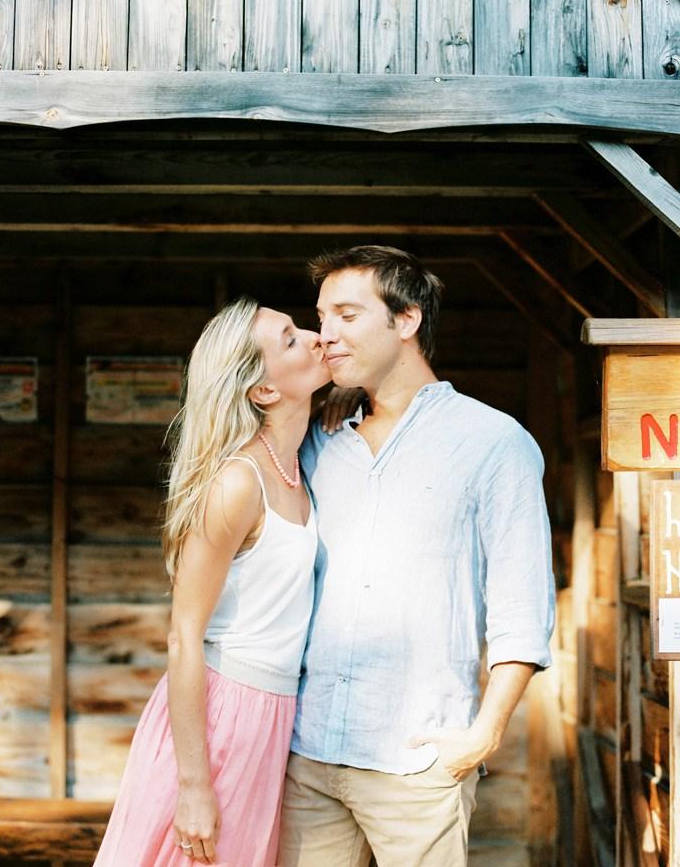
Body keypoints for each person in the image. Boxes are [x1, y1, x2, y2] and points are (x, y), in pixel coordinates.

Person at [279, 245, 555, 867]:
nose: (325, 336)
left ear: (406, 321)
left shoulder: (494, 441)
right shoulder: (319, 442)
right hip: (311, 749)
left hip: (418, 757)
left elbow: (523, 603)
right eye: (322, 318)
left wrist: (481, 736)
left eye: (347, 316)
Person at [94, 296, 330, 867]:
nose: (316, 335)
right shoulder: (237, 482)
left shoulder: (301, 465)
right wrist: (194, 784)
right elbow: (183, 633)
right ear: (265, 390)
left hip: (275, 717)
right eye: (292, 337)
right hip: (223, 714)